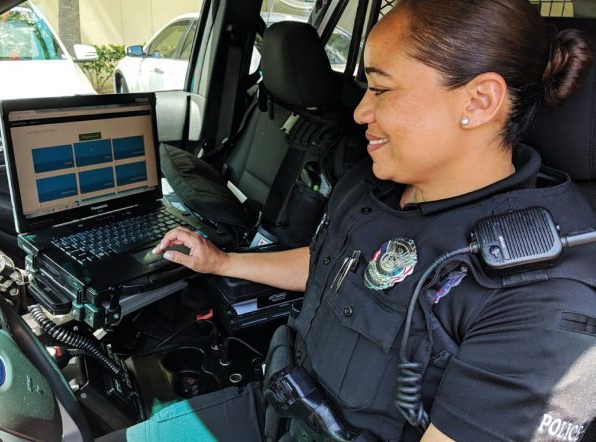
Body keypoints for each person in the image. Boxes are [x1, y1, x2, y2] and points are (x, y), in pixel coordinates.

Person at [103, 0, 596, 440]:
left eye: (380, 90)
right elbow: (330, 261)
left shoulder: (544, 295)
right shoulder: (372, 185)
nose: (360, 111)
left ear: (479, 101)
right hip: (278, 407)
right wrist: (223, 262)